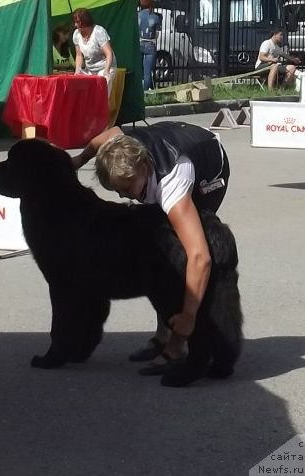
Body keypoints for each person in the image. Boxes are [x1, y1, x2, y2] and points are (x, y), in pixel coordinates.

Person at [72, 121, 230, 374]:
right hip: (170, 143)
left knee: (178, 256)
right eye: (116, 191)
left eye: (126, 189)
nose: (123, 197)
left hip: (209, 169)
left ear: (144, 167)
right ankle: (163, 333)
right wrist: (79, 160)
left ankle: (176, 345)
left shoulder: (172, 187)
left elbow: (200, 257)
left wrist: (187, 316)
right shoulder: (123, 145)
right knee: (156, 249)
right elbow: (104, 137)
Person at [72, 8, 117, 97]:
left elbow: (109, 53)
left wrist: (106, 71)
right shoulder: (76, 34)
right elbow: (79, 54)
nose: (75, 25)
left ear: (84, 22)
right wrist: (77, 71)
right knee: (87, 96)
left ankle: (102, 110)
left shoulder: (99, 32)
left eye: (77, 22)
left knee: (101, 95)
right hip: (90, 69)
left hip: (104, 67)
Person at [138, 0, 161, 91]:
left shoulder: (137, 15)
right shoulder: (156, 17)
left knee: (139, 70)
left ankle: (138, 91)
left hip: (139, 43)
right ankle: (146, 91)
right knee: (148, 71)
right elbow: (157, 35)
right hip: (150, 44)